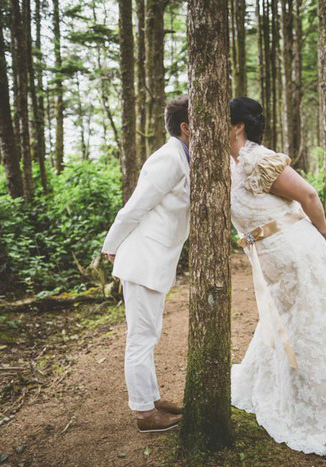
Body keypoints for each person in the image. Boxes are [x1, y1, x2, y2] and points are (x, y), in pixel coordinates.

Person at [228, 97, 326, 456]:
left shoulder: (258, 159)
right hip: (271, 258)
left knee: (304, 325)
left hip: (297, 252)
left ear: (238, 126)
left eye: (222, 121)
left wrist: (323, 230)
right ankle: (283, 389)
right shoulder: (232, 163)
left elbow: (308, 194)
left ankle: (312, 405)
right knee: (280, 324)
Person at [101, 96, 190, 433]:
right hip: (142, 260)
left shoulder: (184, 157)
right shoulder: (168, 159)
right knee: (140, 337)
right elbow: (133, 208)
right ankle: (143, 412)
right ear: (185, 127)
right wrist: (111, 246)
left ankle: (151, 398)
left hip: (156, 261)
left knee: (149, 333)